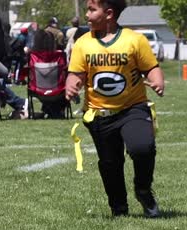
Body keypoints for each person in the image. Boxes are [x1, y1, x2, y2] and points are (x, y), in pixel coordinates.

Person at [66, 0, 165, 218]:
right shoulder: (83, 43)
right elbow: (76, 74)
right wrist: (71, 85)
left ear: (109, 13)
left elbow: (151, 67)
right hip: (100, 114)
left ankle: (143, 189)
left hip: (132, 108)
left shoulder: (134, 40)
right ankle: (119, 209)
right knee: (110, 164)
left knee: (142, 147)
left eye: (92, 10)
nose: (87, 14)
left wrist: (157, 80)